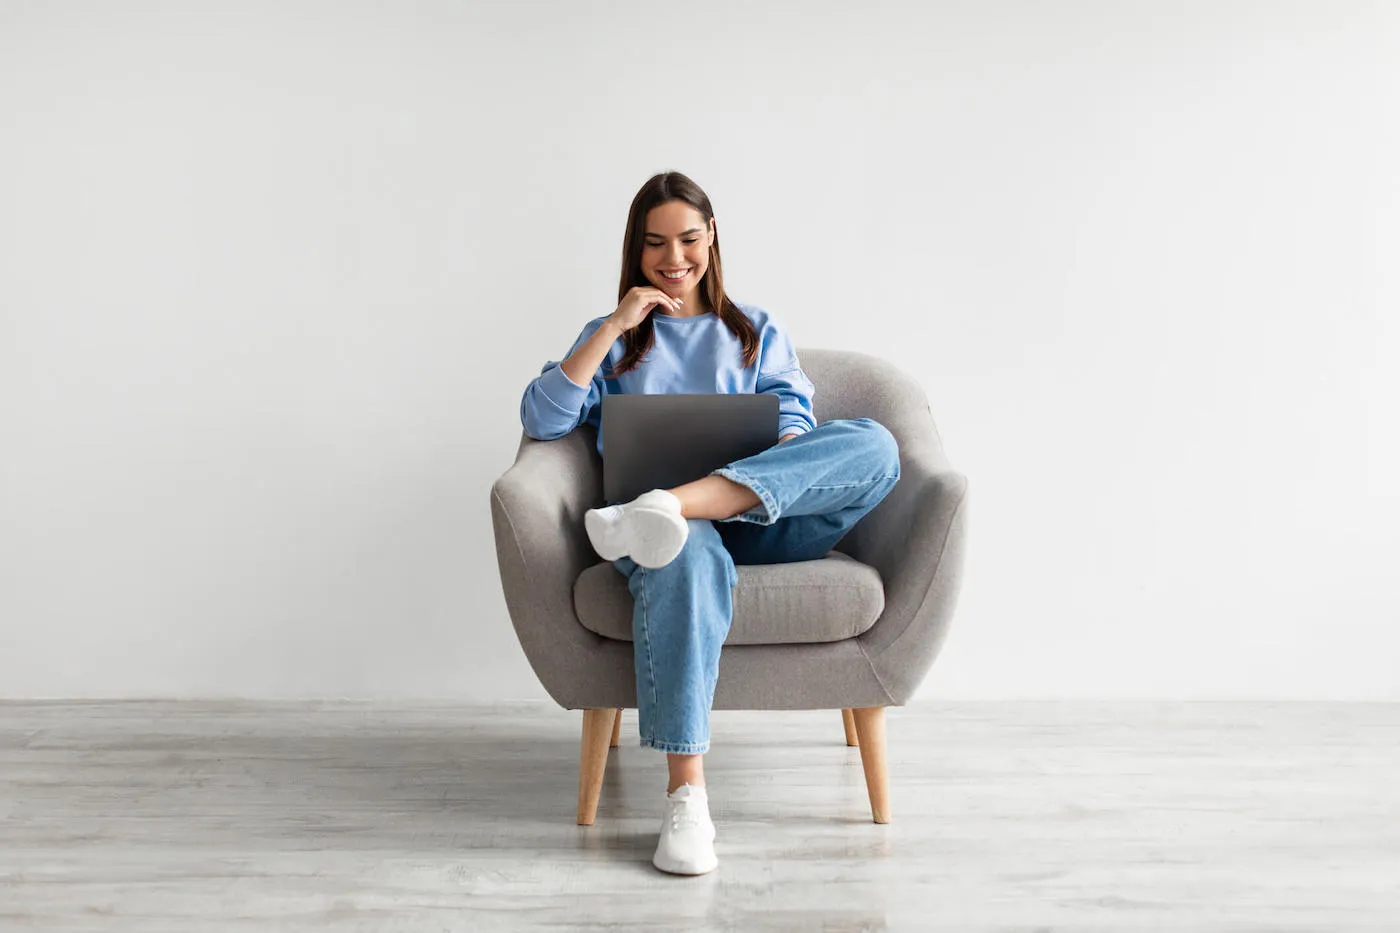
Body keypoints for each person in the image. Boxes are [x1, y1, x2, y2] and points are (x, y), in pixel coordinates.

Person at [518, 171, 900, 876]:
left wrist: (781, 461)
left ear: (712, 236)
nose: (674, 257)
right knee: (681, 549)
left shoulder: (754, 328)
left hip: (761, 518)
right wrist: (611, 327)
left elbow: (795, 422)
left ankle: (679, 498)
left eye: (689, 238)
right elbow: (543, 418)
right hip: (665, 543)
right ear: (635, 251)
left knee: (875, 443)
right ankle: (686, 796)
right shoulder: (616, 342)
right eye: (656, 243)